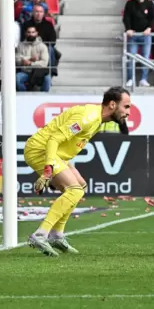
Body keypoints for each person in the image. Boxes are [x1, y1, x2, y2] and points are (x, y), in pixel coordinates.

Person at [25, 87, 132, 257]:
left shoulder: (97, 120)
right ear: (112, 104)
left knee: (80, 186)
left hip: (58, 154)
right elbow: (54, 139)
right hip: (41, 150)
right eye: (126, 106)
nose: (129, 112)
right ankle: (41, 234)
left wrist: (66, 164)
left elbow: (68, 142)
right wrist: (48, 170)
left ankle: (56, 235)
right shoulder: (88, 117)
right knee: (73, 189)